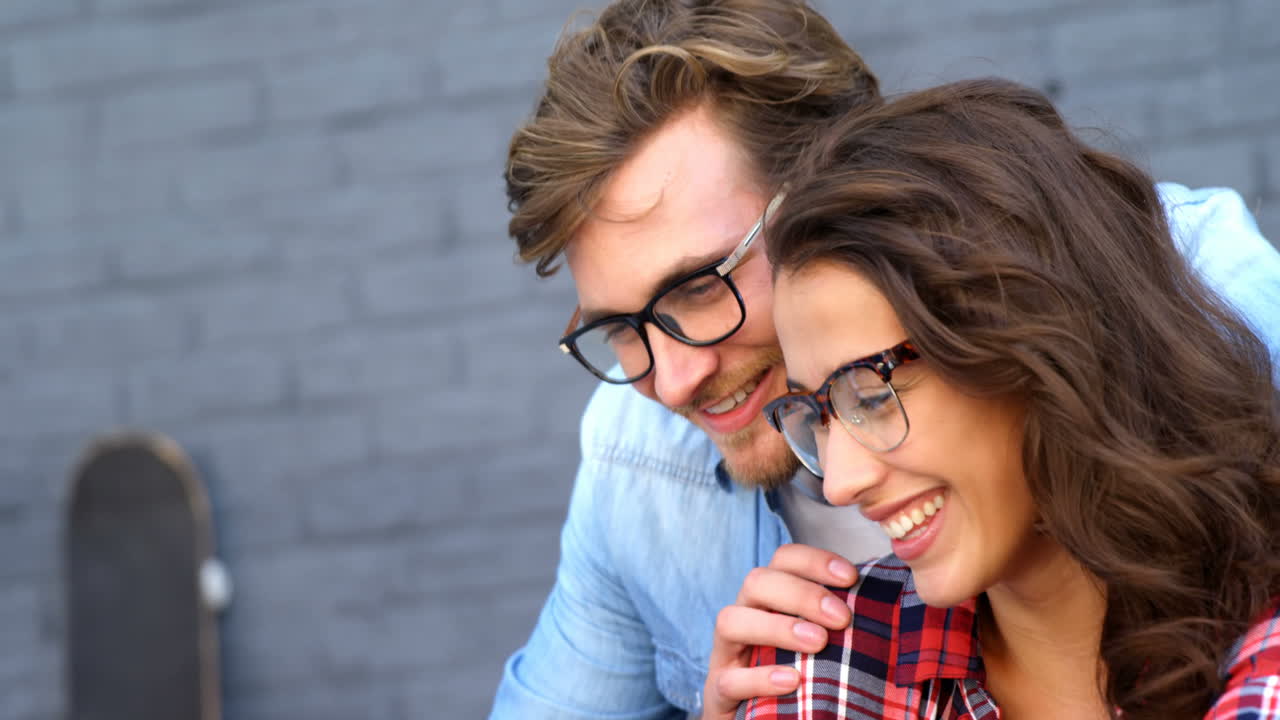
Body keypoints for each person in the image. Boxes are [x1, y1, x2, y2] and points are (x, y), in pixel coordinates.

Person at [493, 1, 1280, 717]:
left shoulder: (1194, 293)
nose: (671, 380)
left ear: (838, 192)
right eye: (623, 330)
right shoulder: (642, 461)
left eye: (698, 289)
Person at [740, 77, 1280, 720]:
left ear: (1034, 346)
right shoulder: (827, 667)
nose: (840, 486)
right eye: (819, 415)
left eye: (872, 394)